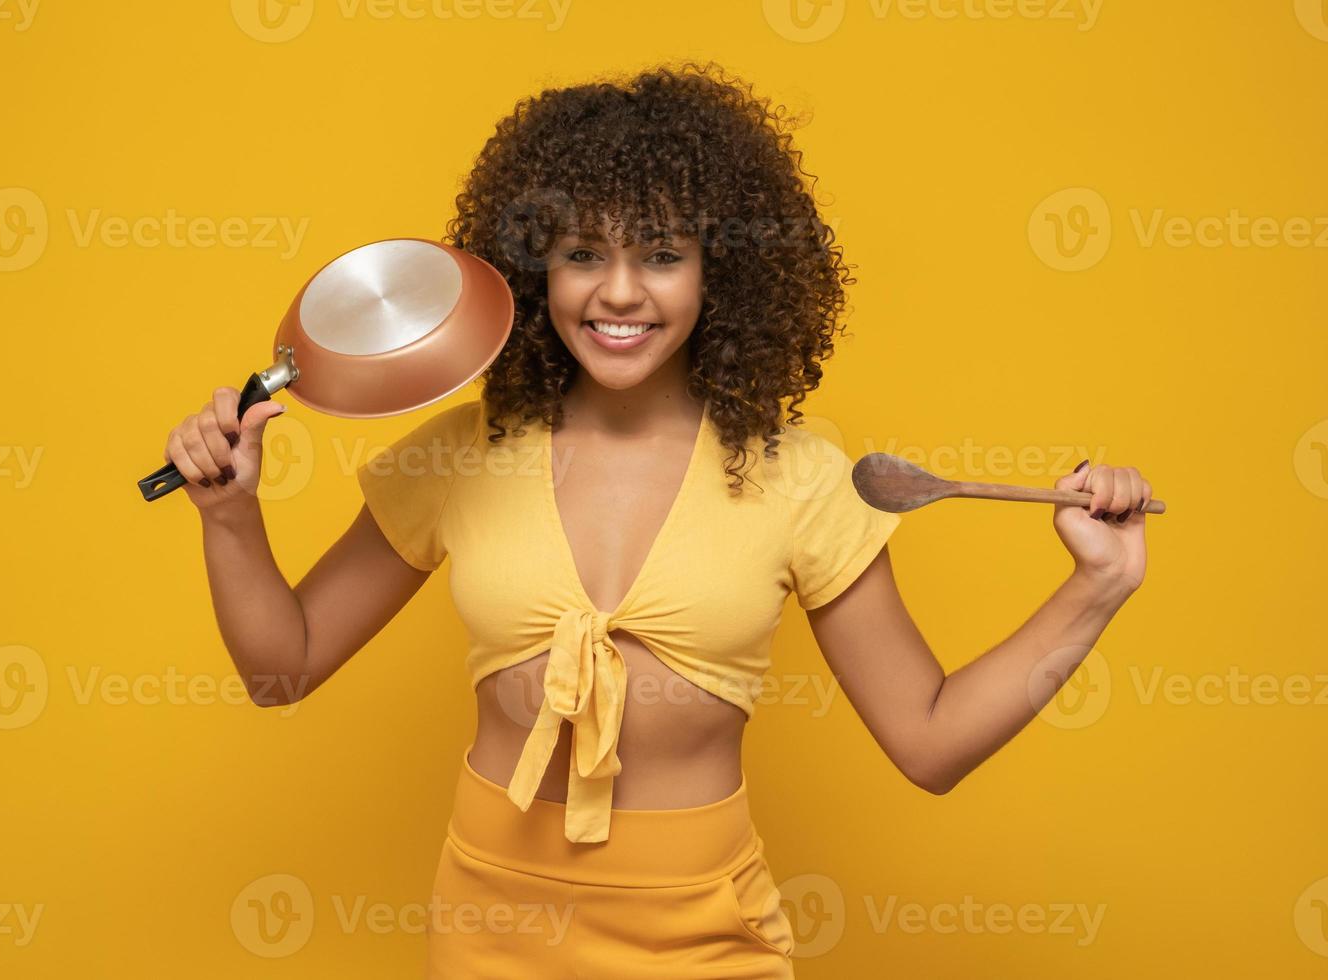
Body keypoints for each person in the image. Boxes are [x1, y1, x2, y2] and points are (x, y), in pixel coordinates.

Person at [159, 61, 1152, 979]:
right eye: (583, 252)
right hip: (491, 925)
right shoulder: (460, 450)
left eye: (663, 254)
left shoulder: (799, 474)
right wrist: (229, 512)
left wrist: (1096, 584)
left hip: (702, 928)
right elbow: (277, 668)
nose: (620, 291)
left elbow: (930, 742)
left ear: (719, 273)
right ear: (531, 267)